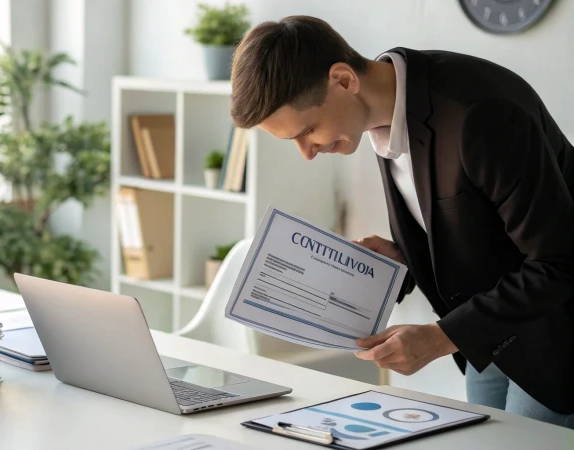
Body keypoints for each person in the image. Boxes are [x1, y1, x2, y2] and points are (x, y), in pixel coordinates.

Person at [228, 15, 574, 428]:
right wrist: (402, 259)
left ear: (343, 80)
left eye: (308, 131)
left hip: (557, 331)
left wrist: (441, 336)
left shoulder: (480, 113)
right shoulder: (379, 110)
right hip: (492, 335)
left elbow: (561, 260)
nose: (307, 152)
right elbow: (480, 225)